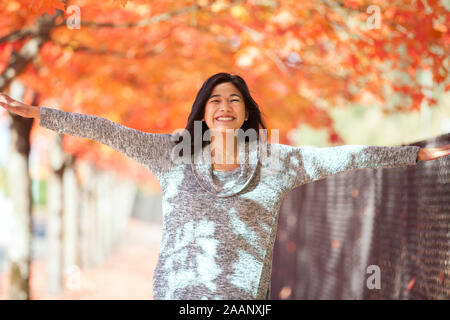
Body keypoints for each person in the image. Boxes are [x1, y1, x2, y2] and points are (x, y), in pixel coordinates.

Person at [1, 72, 449, 300]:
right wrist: (42, 115)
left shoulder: (276, 161)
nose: (224, 106)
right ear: (202, 110)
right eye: (215, 99)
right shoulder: (171, 152)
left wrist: (415, 154)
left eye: (234, 99)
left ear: (247, 113)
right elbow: (106, 130)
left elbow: (343, 157)